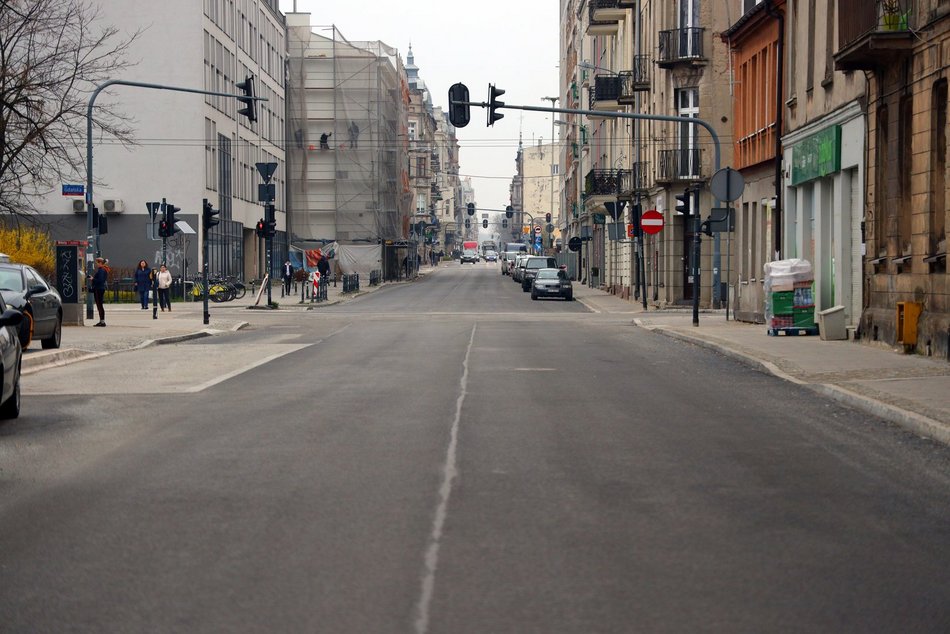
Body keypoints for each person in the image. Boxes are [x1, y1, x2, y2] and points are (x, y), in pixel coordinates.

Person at [90, 257, 108, 327]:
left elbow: (100, 280)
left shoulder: (101, 270)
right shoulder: (104, 269)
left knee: (99, 305)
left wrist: (93, 279)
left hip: (98, 289)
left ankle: (102, 321)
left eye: (97, 263)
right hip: (101, 288)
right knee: (100, 305)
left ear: (100, 263)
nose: (96, 264)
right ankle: (102, 321)